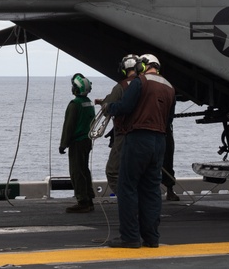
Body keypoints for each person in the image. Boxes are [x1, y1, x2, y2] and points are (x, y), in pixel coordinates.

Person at [105, 53, 175, 249]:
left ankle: (129, 237)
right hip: (159, 141)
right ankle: (152, 238)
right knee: (152, 190)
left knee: (127, 187)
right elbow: (169, 120)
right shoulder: (170, 87)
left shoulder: (140, 82)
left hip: (138, 139)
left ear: (144, 66)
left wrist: (109, 106)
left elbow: (125, 107)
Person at [94, 53, 139, 195]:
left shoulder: (121, 86)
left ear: (124, 69)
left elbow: (109, 107)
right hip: (146, 135)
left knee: (113, 172)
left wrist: (104, 104)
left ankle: (128, 201)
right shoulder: (146, 85)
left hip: (124, 135)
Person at [60, 73, 96, 213]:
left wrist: (63, 144)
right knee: (85, 170)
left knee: (76, 171)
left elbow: (69, 126)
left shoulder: (74, 104)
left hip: (77, 142)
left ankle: (83, 201)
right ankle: (89, 198)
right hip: (87, 141)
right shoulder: (89, 103)